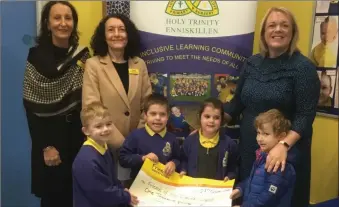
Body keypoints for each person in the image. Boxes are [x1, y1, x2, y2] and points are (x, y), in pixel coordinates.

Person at [223, 7, 320, 207]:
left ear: (292, 32)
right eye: (272, 25)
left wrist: (283, 146)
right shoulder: (252, 63)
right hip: (252, 148)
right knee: (250, 196)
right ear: (263, 33)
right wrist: (210, 123)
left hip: (285, 154)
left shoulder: (303, 68)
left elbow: (306, 114)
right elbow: (237, 104)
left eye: (285, 25)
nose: (278, 29)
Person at [22, 1, 90, 207]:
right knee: (54, 199)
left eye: (68, 18)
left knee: (80, 195)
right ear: (47, 22)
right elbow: (31, 107)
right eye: (57, 18)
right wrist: (46, 146)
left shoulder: (83, 55)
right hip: (50, 139)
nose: (63, 23)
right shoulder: (35, 57)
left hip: (79, 136)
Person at [82, 13, 152, 184]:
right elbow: (91, 107)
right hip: (105, 143)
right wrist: (123, 145)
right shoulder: (93, 65)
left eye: (122, 29)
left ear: (128, 35)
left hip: (138, 148)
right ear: (103, 36)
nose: (117, 34)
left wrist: (137, 139)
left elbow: (148, 104)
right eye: (111, 30)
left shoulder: (139, 64)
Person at [73, 103, 139, 207]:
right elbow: (101, 193)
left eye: (108, 124)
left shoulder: (104, 147)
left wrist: (121, 190)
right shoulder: (87, 160)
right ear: (86, 131)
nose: (105, 129)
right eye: (98, 126)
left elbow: (111, 180)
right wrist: (125, 196)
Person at [230, 109, 297, 207]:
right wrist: (240, 189)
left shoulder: (280, 165)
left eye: (266, 134)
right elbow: (254, 180)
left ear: (281, 136)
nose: (259, 138)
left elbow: (269, 196)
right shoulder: (262, 156)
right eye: (258, 133)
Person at [119, 94, 181, 180]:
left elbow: (178, 158)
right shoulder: (135, 136)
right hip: (139, 185)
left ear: (168, 116)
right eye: (153, 114)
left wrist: (173, 163)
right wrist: (142, 158)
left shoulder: (172, 138)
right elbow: (123, 159)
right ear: (145, 115)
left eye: (162, 114)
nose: (158, 118)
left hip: (164, 185)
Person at [180, 98, 238, 181]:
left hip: (216, 191)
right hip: (193, 190)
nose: (211, 121)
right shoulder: (189, 141)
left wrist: (230, 176)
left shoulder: (229, 144)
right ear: (200, 117)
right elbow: (184, 161)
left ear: (221, 120)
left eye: (216, 118)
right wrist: (183, 170)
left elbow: (233, 168)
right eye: (207, 116)